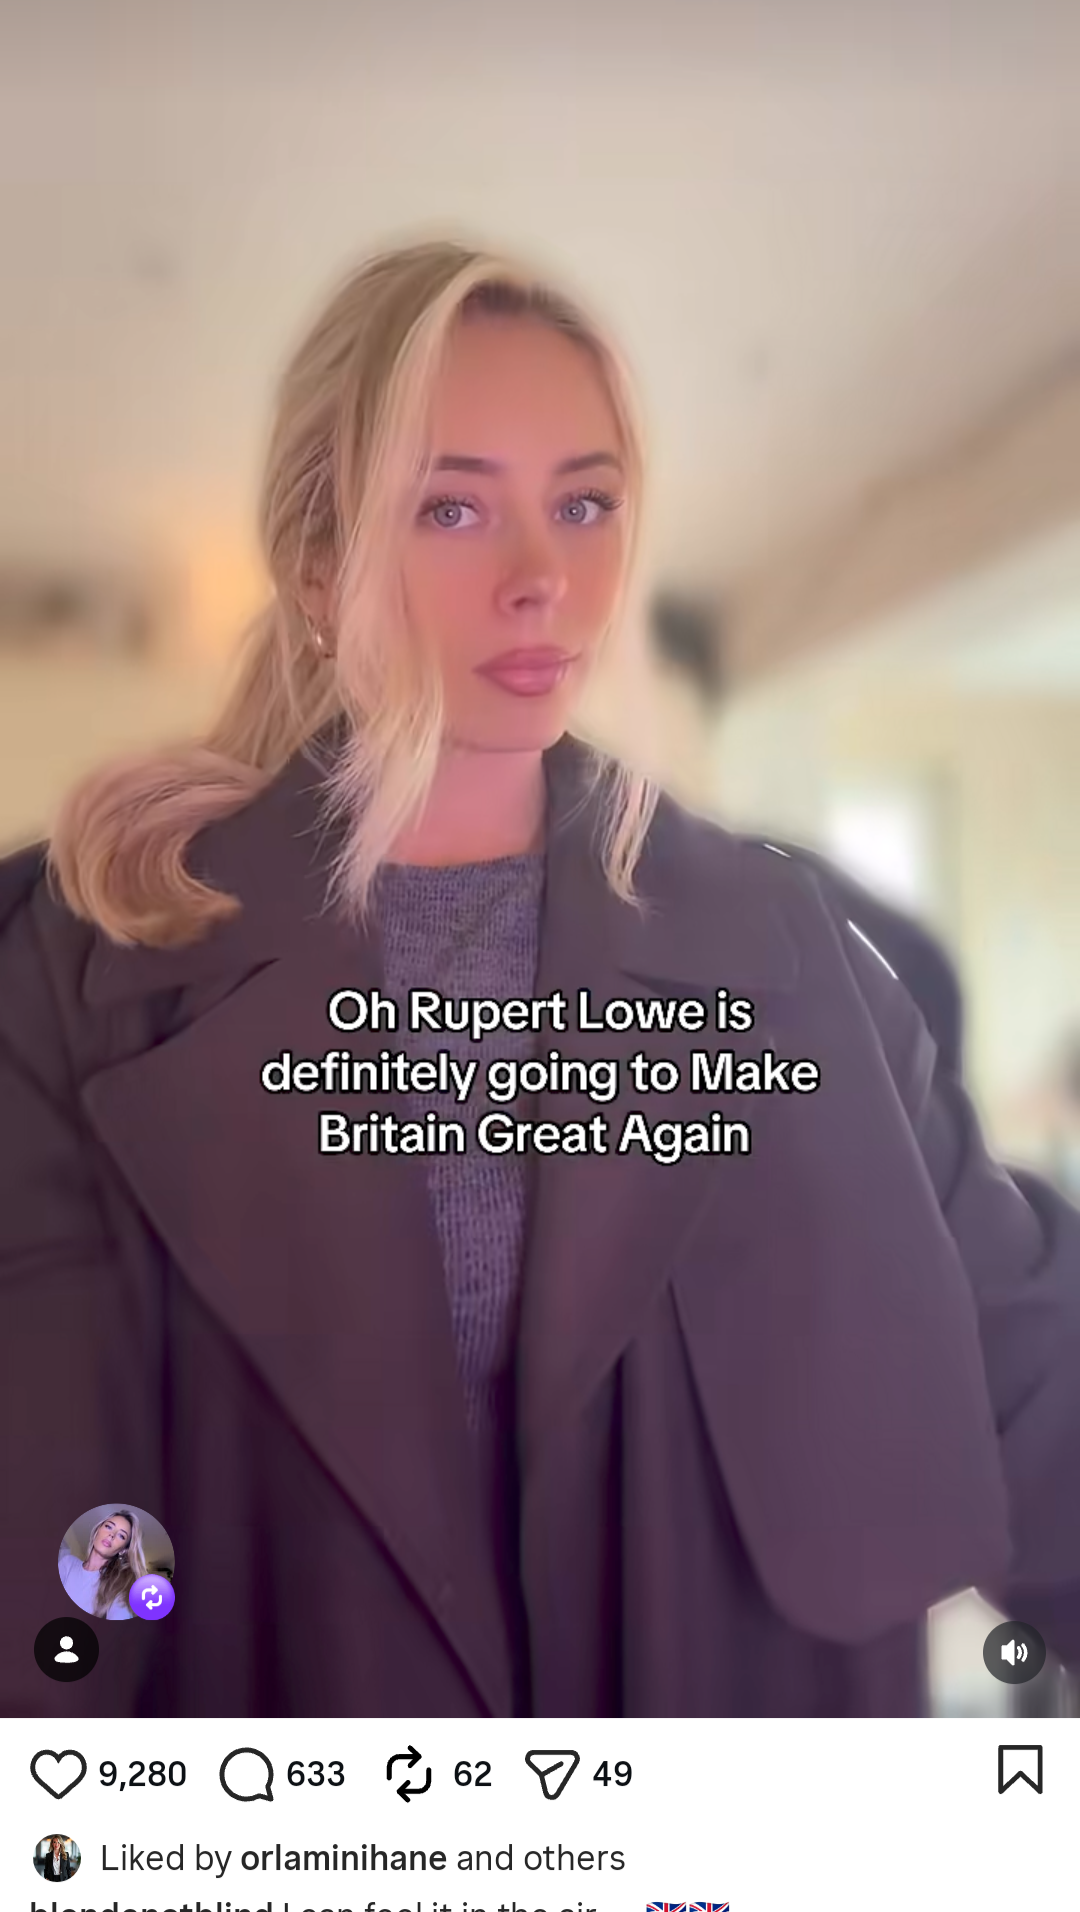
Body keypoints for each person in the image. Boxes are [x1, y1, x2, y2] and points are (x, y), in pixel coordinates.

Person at [1, 236, 1079, 1718]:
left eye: (584, 503)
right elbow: (46, 1541)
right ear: (316, 559)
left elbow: (1029, 1370)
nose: (540, 579)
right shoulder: (74, 970)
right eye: (452, 506)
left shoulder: (786, 951)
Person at [57, 1510, 146, 1620]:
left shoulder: (117, 1586)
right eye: (109, 1527)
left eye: (121, 1536)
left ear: (123, 1550)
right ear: (97, 1530)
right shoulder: (67, 1562)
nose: (112, 1535)